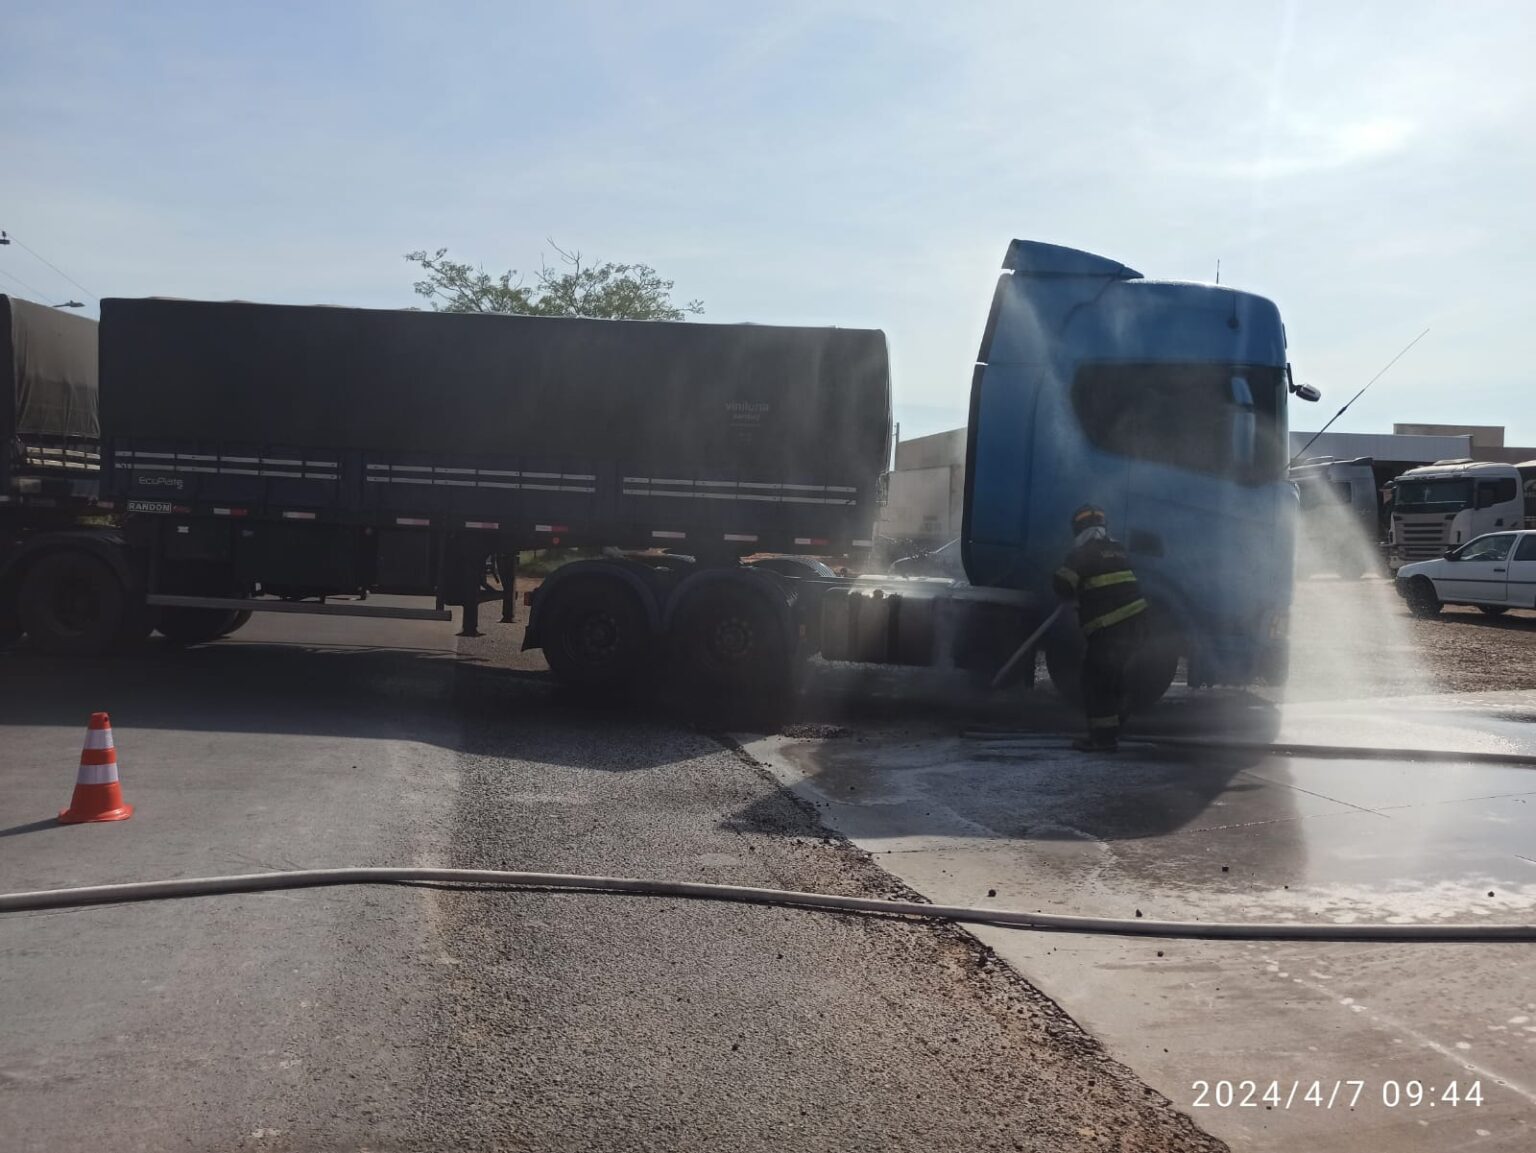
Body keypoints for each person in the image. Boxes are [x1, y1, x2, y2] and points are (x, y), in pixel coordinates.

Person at [1052, 504, 1148, 751]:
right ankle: (1115, 726)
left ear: (1078, 529)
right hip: (1137, 625)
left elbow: (1063, 585)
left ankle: (1103, 740)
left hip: (1110, 629)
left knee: (1096, 683)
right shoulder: (1118, 550)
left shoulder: (1082, 554)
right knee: (1115, 678)